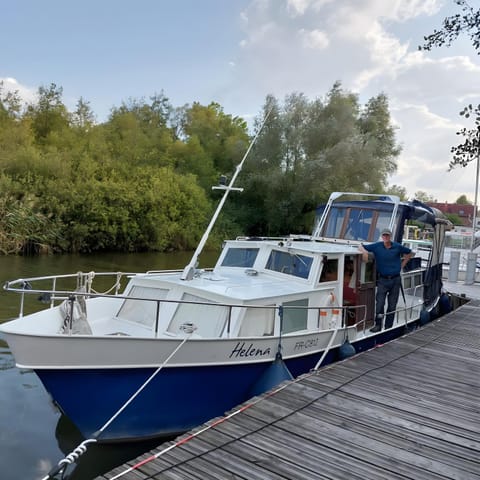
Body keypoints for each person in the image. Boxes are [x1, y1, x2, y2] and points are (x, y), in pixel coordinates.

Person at [358, 228, 414, 332]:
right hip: (383, 280)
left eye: (387, 235)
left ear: (390, 236)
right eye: (384, 235)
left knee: (392, 305)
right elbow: (361, 246)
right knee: (379, 304)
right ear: (381, 236)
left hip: (395, 280)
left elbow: (410, 253)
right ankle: (378, 325)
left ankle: (388, 327)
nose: (385, 237)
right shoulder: (377, 246)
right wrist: (364, 253)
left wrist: (402, 265)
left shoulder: (397, 246)